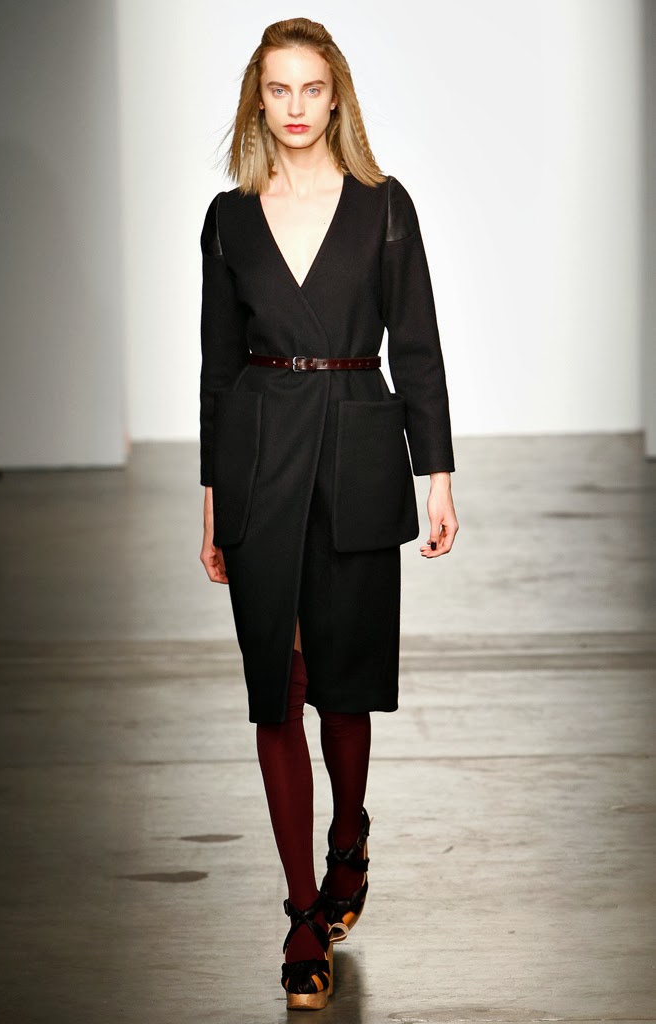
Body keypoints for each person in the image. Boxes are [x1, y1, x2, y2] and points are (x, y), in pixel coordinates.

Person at [199, 16, 459, 1011]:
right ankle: (301, 910)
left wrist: (437, 475)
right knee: (277, 681)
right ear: (257, 100)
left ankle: (347, 839)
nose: (296, 106)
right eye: (279, 89)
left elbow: (417, 347)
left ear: (336, 95)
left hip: (356, 445)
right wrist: (211, 503)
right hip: (261, 452)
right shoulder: (230, 220)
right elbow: (217, 369)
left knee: (341, 683)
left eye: (312, 88)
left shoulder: (383, 207)